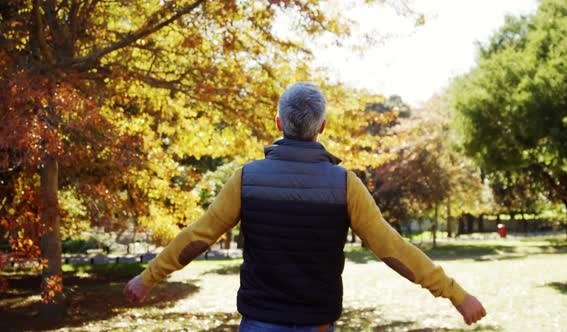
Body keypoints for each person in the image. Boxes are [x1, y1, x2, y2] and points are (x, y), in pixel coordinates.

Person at [124, 82, 486, 331]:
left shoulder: (246, 179)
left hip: (260, 320)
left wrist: (147, 278)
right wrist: (457, 294)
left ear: (278, 123)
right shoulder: (346, 185)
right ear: (323, 127)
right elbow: (394, 250)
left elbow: (197, 237)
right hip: (317, 321)